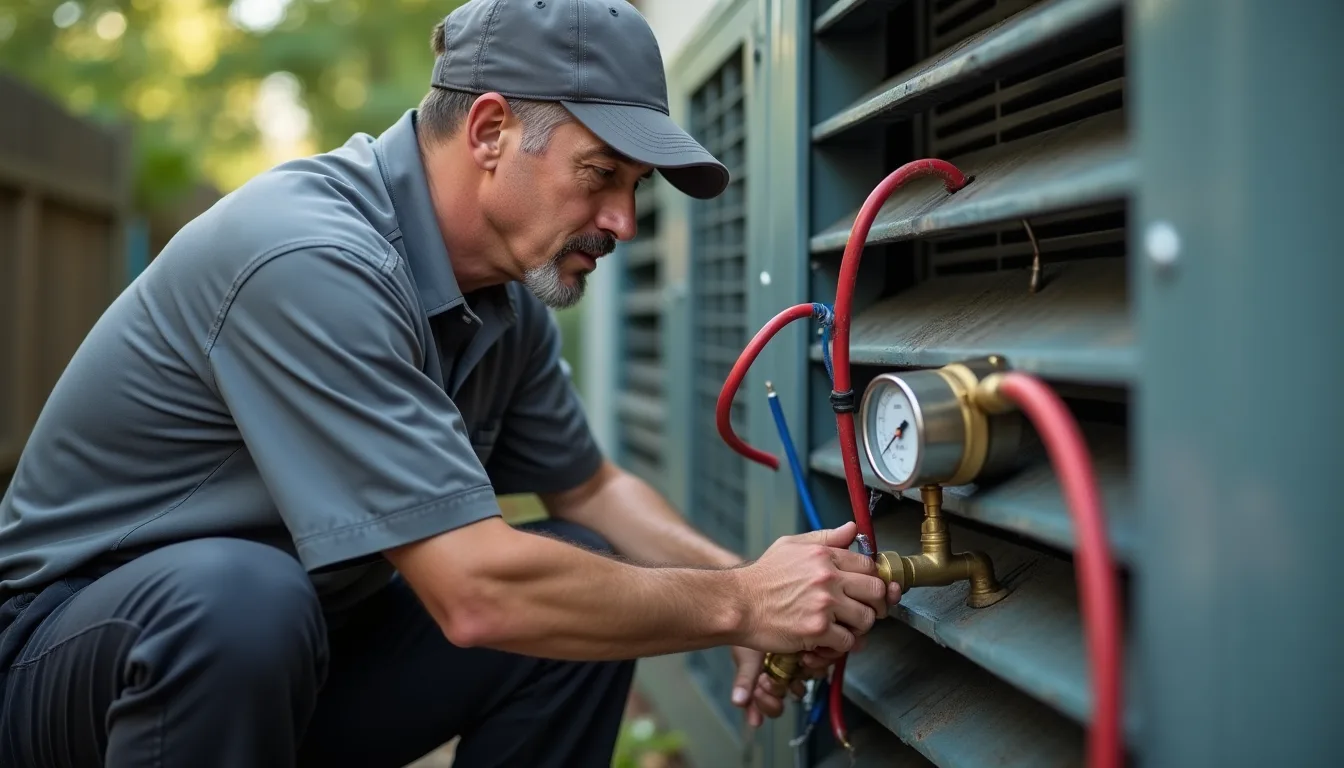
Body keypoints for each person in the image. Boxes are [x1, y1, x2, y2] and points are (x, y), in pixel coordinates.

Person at [0, 1, 900, 766]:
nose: (622, 220)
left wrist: (741, 589)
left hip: (282, 658)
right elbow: (476, 593)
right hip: (77, 665)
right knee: (244, 602)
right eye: (600, 177)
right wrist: (741, 602)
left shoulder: (503, 303)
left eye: (634, 188)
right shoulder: (311, 258)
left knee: (592, 581)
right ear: (490, 131)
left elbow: (591, 488)